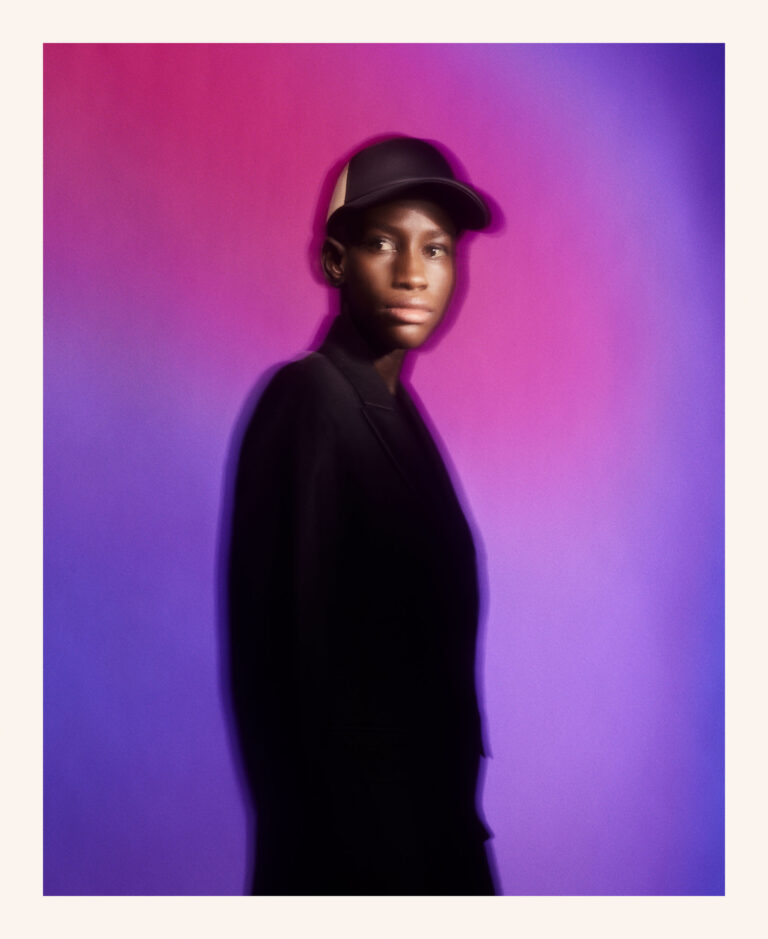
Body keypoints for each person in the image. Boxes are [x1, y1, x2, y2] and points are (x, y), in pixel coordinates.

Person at [228, 136, 495, 895]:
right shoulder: (309, 399)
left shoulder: (398, 415)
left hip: (435, 844)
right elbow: (292, 675)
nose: (414, 272)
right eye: (383, 243)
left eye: (437, 248)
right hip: (358, 864)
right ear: (334, 260)